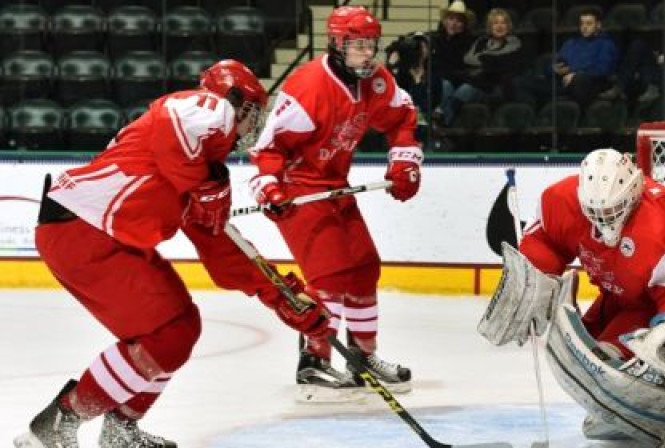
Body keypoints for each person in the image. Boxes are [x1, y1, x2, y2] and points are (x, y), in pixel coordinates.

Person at [13, 60, 331, 448]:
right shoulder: (205, 108)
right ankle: (55, 426)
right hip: (82, 231)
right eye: (250, 112)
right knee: (165, 334)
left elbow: (222, 248)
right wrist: (203, 185)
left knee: (181, 327)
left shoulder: (209, 172)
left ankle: (120, 429)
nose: (249, 127)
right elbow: (175, 115)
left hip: (100, 236)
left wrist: (282, 295)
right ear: (231, 99)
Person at [246, 6, 421, 402]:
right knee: (328, 276)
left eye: (370, 45)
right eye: (357, 46)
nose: (367, 53)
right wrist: (268, 190)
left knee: (362, 267)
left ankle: (362, 357)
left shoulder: (376, 81)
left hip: (333, 186)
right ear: (337, 44)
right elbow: (267, 148)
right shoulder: (307, 89)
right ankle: (314, 361)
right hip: (298, 191)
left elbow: (402, 118)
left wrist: (405, 161)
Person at [479, 149, 665, 445]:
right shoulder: (562, 200)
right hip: (621, 292)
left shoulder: (658, 230)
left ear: (634, 193)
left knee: (647, 357)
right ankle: (625, 413)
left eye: (611, 212)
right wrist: (533, 278)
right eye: (594, 213)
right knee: (595, 357)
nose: (603, 222)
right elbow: (546, 238)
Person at [437, 8, 523, 127]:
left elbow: (502, 69)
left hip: (494, 86)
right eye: (495, 23)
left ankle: (442, 126)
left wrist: (485, 63)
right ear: (490, 27)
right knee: (450, 87)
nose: (499, 26)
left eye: (503, 23)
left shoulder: (515, 44)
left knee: (465, 90)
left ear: (508, 26)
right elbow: (467, 60)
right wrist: (487, 63)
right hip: (475, 82)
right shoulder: (481, 42)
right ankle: (443, 124)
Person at [551, 7, 619, 107]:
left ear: (598, 25)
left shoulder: (606, 44)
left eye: (589, 23)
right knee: (522, 83)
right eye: (582, 23)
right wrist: (554, 69)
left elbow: (603, 70)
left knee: (580, 80)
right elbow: (556, 63)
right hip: (564, 81)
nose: (584, 27)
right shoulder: (571, 43)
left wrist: (574, 74)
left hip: (590, 84)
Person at [429, 0, 476, 125]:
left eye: (459, 21)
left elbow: (465, 68)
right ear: (444, 21)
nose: (454, 24)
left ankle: (441, 121)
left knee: (449, 86)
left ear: (464, 24)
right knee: (444, 85)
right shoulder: (435, 39)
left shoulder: (470, 42)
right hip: (440, 79)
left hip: (460, 81)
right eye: (451, 19)